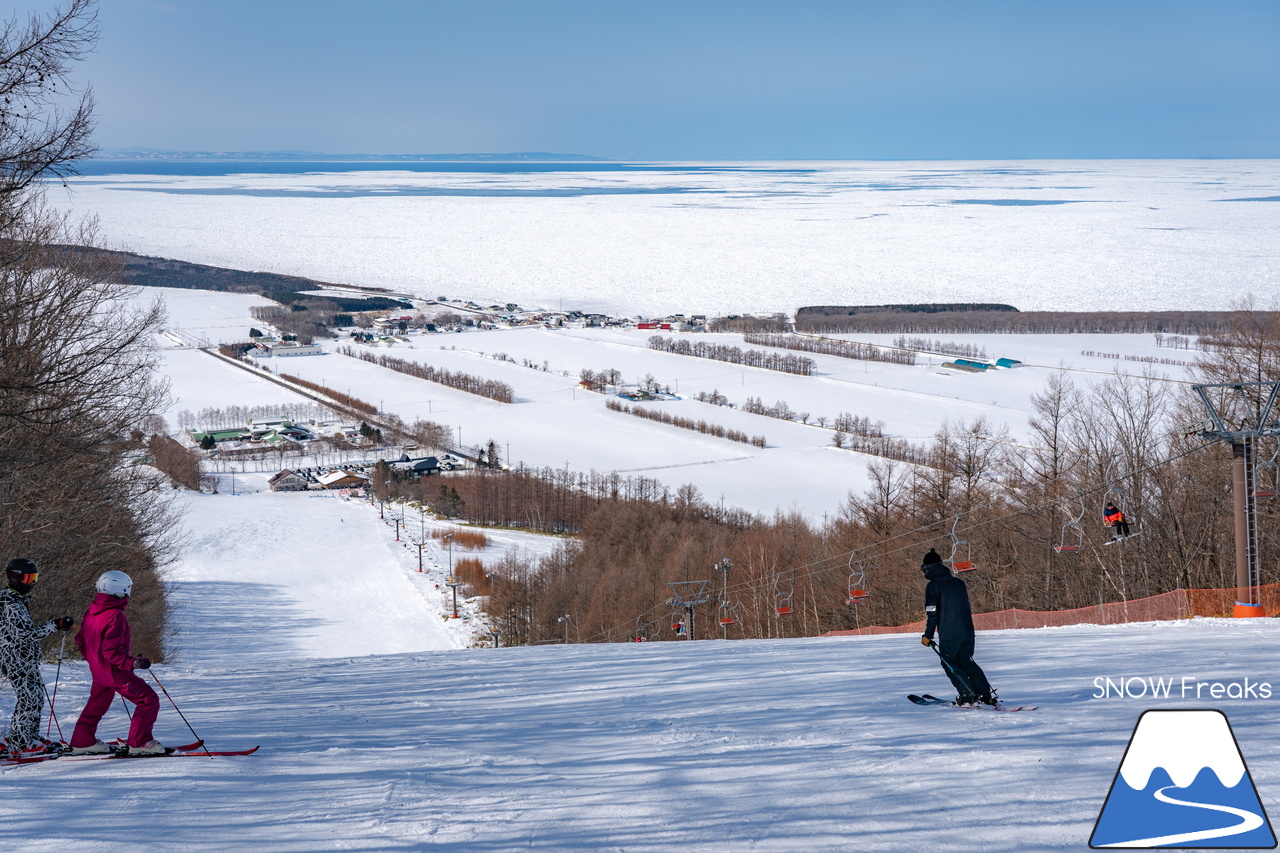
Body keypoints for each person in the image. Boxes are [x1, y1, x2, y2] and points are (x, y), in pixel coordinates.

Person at [67, 571, 165, 756]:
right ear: (122, 590)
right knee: (148, 700)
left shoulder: (92, 612)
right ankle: (140, 742)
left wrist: (94, 661)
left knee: (96, 705)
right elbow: (111, 651)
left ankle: (82, 741)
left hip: (100, 673)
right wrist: (133, 663)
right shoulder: (115, 615)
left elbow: (81, 640)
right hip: (116, 673)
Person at [0, 558, 74, 756]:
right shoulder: (11, 605)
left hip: (24, 660)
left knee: (36, 699)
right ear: (15, 577)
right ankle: (20, 743)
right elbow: (24, 634)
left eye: (35, 577)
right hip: (16, 660)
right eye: (28, 578)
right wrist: (53, 626)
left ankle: (28, 736)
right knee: (28, 699)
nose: (32, 583)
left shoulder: (16, 599)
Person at [919, 548, 997, 706]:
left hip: (950, 634)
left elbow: (932, 614)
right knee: (966, 661)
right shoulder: (958, 583)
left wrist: (928, 636)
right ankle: (985, 694)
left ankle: (966, 692)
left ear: (928, 568)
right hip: (968, 631)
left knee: (949, 662)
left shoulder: (932, 587)